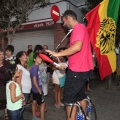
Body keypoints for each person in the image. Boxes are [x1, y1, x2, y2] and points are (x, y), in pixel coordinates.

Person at [46, 10, 93, 120]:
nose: (63, 24)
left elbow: (77, 47)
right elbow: (77, 54)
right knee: (80, 95)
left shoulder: (78, 28)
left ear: (69, 18)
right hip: (81, 69)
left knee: (69, 99)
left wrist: (57, 53)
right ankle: (86, 117)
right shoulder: (81, 28)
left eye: (64, 21)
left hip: (77, 71)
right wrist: (66, 64)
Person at [15, 51, 32, 120]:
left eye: (26, 55)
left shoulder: (23, 67)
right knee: (21, 108)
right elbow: (18, 81)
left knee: (22, 109)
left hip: (26, 91)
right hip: (23, 91)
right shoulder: (19, 67)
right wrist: (21, 93)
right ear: (20, 58)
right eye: (24, 55)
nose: (26, 56)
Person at [30, 53, 45, 120]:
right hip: (37, 89)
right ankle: (42, 118)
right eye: (38, 58)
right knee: (43, 104)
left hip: (34, 89)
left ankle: (34, 117)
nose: (40, 59)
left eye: (41, 58)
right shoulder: (34, 68)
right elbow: (34, 80)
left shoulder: (35, 67)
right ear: (34, 59)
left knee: (34, 102)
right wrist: (39, 90)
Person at [0, 48, 9, 120]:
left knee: (4, 100)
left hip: (4, 85)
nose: (1, 55)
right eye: (0, 54)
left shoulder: (6, 63)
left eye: (2, 54)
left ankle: (6, 114)